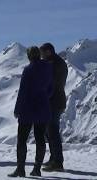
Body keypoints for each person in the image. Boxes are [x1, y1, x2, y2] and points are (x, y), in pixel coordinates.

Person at [8, 47, 53, 177]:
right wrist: (44, 97)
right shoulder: (48, 68)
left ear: (29, 56)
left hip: (28, 109)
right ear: (39, 55)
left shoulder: (28, 70)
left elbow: (22, 92)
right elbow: (51, 88)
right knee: (40, 139)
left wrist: (17, 109)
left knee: (22, 140)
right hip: (43, 107)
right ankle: (37, 168)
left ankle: (20, 169)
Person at [40, 43, 68, 172]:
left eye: (43, 53)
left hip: (54, 102)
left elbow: (52, 83)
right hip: (55, 101)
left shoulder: (55, 64)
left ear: (49, 52)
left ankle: (58, 162)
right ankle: (53, 158)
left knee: (53, 131)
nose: (41, 56)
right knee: (49, 131)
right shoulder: (55, 62)